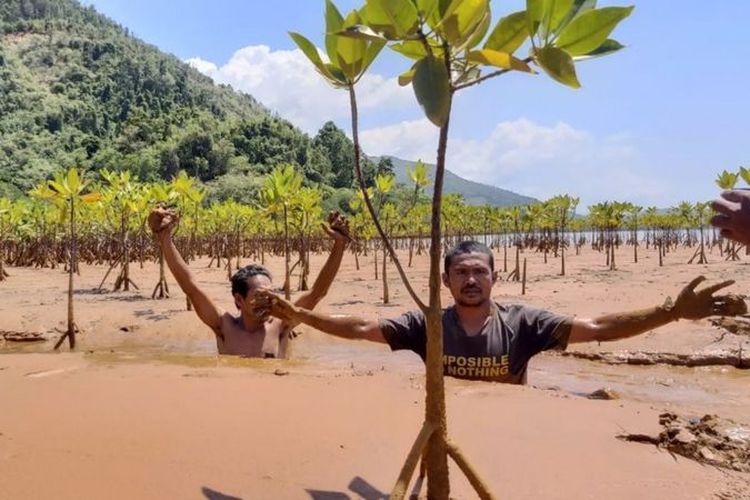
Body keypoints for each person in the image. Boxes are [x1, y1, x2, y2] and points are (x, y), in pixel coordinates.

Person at [250, 240, 745, 384]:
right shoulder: (427, 326)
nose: (470, 280)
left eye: (479, 272)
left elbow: (596, 329)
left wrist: (670, 312)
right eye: (461, 273)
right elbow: (359, 328)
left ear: (494, 277)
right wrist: (298, 312)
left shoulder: (524, 323)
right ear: (445, 281)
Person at [148, 206, 351, 358]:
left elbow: (317, 293)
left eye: (271, 295)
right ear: (239, 300)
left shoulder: (282, 324)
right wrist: (164, 239)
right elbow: (191, 288)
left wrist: (339, 245)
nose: (269, 302)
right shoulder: (224, 327)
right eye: (260, 296)